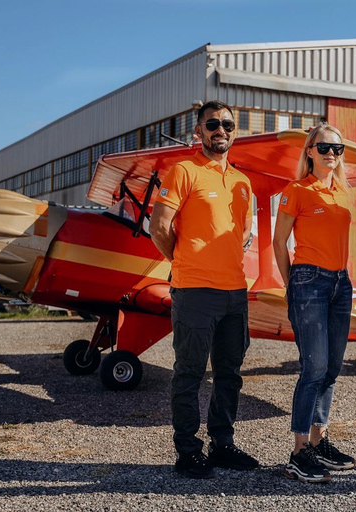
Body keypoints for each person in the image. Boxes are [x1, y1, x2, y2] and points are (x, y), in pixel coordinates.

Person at [149, 100, 259, 479]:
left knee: (229, 373)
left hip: (234, 293)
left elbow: (244, 233)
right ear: (199, 131)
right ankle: (188, 450)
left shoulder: (243, 183)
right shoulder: (183, 171)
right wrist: (184, 261)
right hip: (195, 291)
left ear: (235, 131)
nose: (221, 131)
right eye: (212, 124)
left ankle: (222, 445)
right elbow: (159, 227)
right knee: (189, 373)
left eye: (228, 125)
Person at [272, 123, 356, 483]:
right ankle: (298, 452)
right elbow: (279, 242)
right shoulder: (296, 191)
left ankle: (319, 443)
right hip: (310, 280)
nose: (330, 155)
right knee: (314, 367)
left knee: (332, 368)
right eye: (323, 148)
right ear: (309, 151)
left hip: (341, 283)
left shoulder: (340, 192)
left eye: (337, 149)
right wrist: (293, 284)